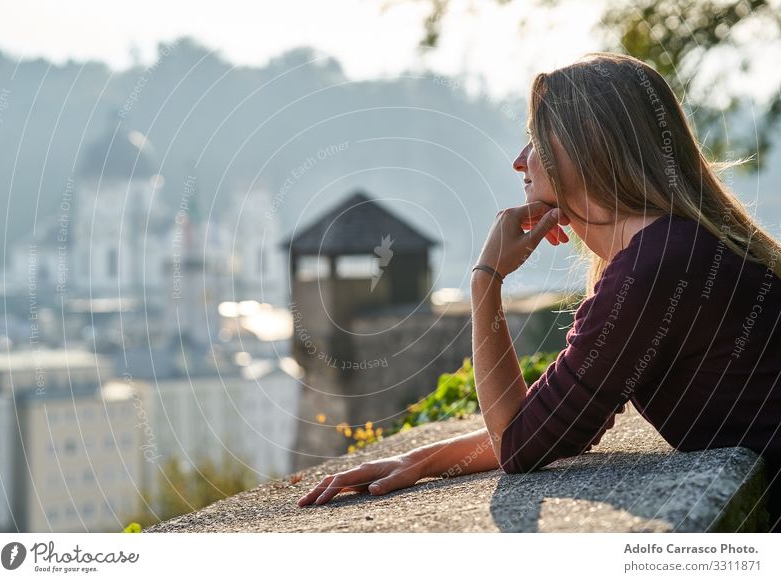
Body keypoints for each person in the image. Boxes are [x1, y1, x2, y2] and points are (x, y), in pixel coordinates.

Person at [296, 52, 781, 531]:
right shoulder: (676, 247)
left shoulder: (656, 266)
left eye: (535, 141)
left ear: (589, 147)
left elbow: (518, 442)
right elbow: (555, 420)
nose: (519, 161)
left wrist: (486, 277)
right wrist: (424, 458)